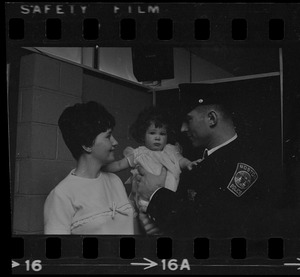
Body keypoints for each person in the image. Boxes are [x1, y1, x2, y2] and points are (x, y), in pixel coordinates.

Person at [136, 83, 272, 238]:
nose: (183, 129)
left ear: (212, 118)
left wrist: (155, 193)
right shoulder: (204, 160)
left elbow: (212, 224)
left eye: (188, 120)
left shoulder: (243, 164)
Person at [44, 101, 156, 235]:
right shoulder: (61, 195)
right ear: (87, 145)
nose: (115, 142)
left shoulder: (114, 180)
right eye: (108, 136)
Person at [103, 106, 198, 212]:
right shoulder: (139, 153)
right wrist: (102, 168)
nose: (158, 137)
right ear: (143, 135)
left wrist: (189, 163)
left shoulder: (171, 150)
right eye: (152, 133)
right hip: (145, 197)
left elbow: (181, 160)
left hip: (168, 196)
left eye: (162, 134)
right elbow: (119, 165)